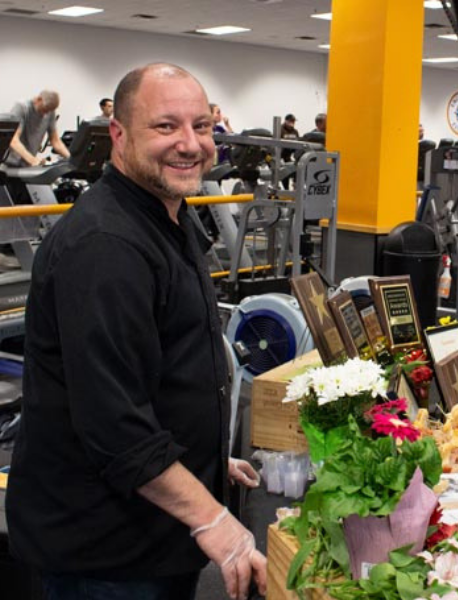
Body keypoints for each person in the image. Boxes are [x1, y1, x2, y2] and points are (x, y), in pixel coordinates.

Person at [7, 63, 267, 600]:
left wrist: (206, 455)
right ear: (120, 135)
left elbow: (162, 369)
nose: (190, 144)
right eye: (166, 127)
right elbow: (114, 425)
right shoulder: (108, 247)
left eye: (201, 125)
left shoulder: (166, 216)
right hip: (106, 553)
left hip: (154, 528)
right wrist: (214, 521)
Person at [4, 90, 71, 168]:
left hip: (27, 165)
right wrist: (33, 160)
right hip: (11, 164)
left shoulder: (50, 112)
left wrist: (71, 159)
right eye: (45, 109)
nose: (45, 114)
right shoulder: (22, 107)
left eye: (48, 111)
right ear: (39, 99)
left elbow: (55, 141)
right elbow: (13, 140)